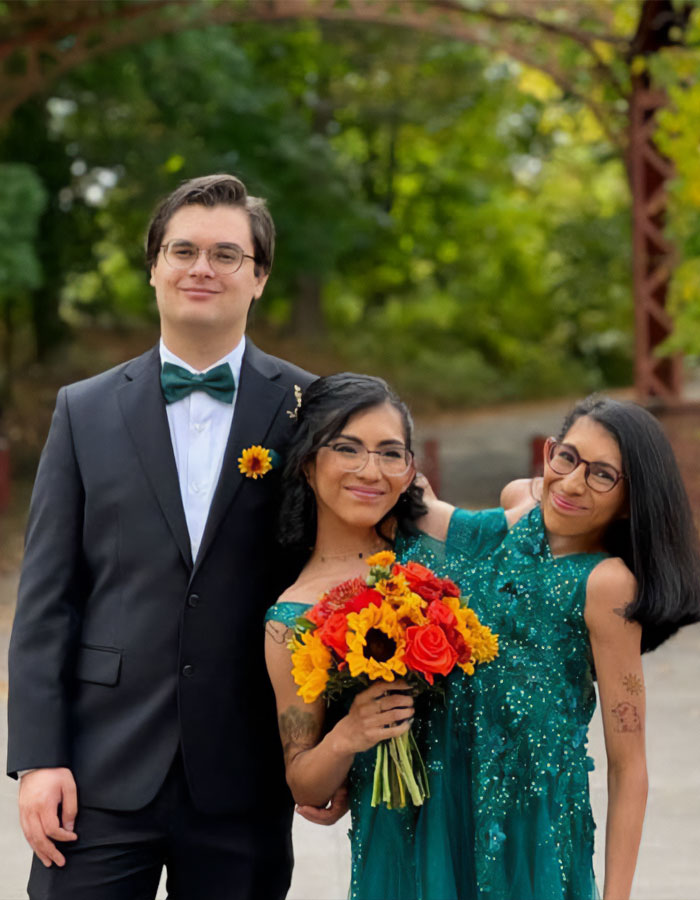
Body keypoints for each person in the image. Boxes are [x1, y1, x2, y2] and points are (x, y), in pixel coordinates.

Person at [7, 173, 343, 900]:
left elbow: (343, 567)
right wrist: (38, 759)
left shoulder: (310, 409)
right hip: (95, 774)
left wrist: (325, 741)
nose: (201, 268)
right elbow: (46, 598)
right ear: (154, 266)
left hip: (245, 769)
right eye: (182, 249)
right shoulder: (83, 410)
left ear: (258, 278)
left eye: (226, 254)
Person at [265, 382, 700, 900]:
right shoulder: (296, 617)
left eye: (603, 474)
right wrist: (348, 737)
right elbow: (305, 781)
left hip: (528, 831)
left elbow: (630, 765)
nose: (369, 468)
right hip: (414, 828)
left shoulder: (593, 579)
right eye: (567, 458)